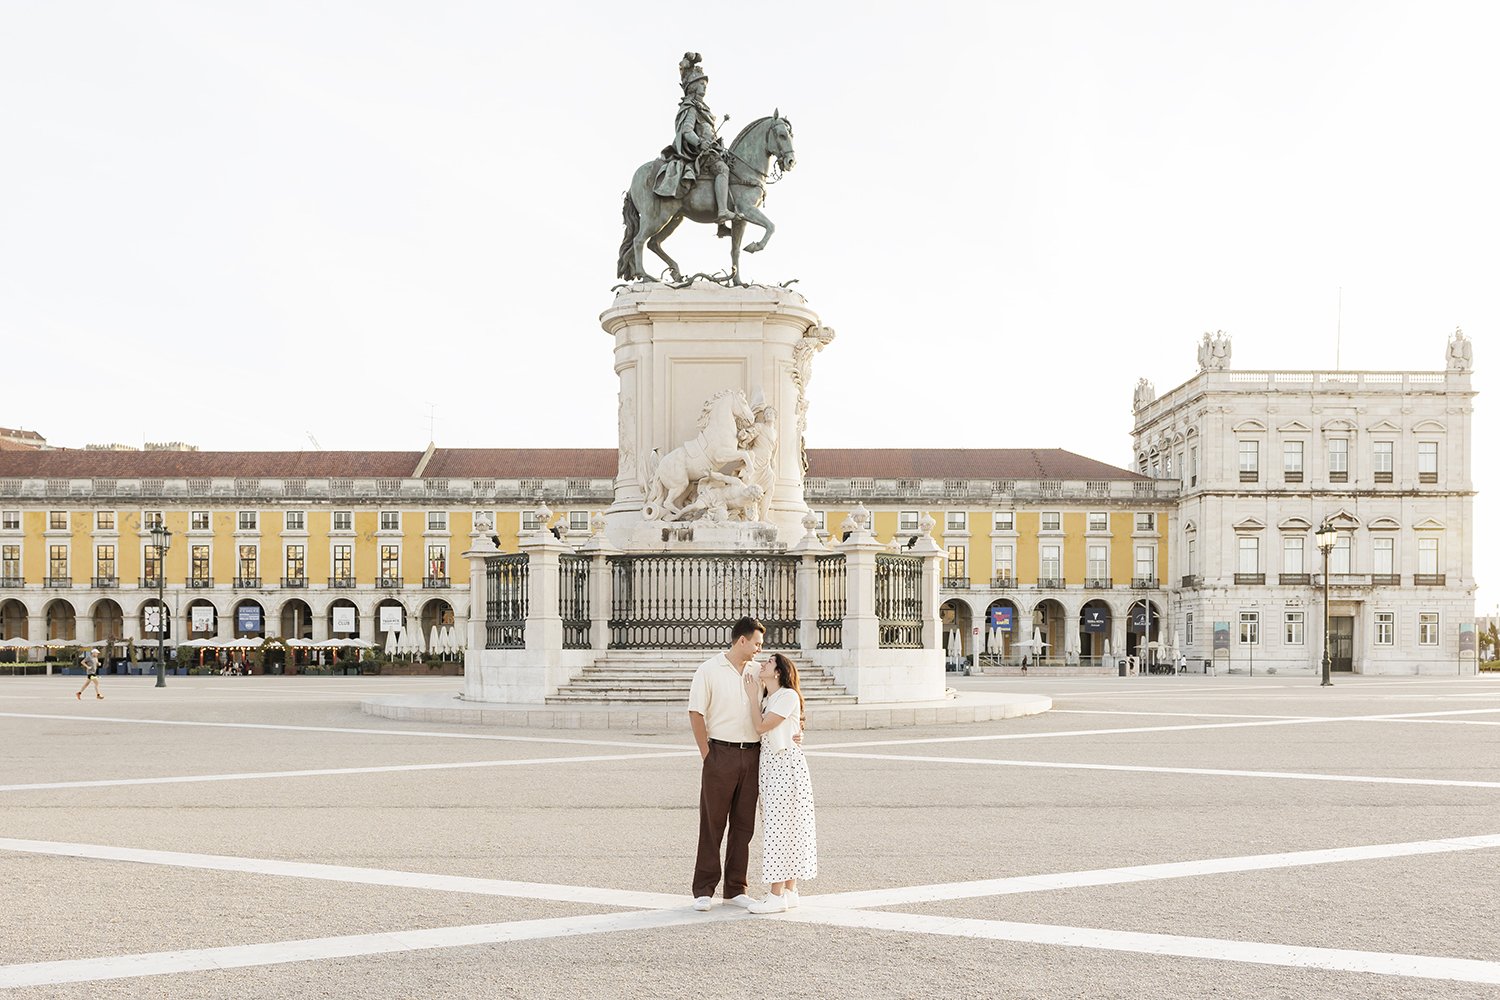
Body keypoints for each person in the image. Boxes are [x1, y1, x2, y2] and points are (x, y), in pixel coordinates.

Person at [687, 616, 766, 911]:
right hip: (720, 753)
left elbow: (787, 697)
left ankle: (736, 887)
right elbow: (696, 713)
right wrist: (707, 754)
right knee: (712, 823)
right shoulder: (708, 670)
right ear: (741, 640)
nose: (760, 649)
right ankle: (704, 889)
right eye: (756, 643)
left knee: (744, 825)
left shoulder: (760, 672)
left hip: (753, 754)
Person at [743, 652, 817, 913]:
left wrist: (753, 698)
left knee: (779, 827)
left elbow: (762, 727)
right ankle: (789, 889)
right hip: (774, 766)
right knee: (787, 826)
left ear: (779, 672)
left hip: (784, 765)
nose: (763, 663)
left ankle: (776, 896)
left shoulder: (787, 695)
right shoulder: (771, 696)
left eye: (770, 662)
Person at [654, 52, 736, 232]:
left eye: (705, 84)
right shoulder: (691, 107)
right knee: (723, 169)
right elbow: (686, 130)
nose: (704, 87)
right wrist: (700, 143)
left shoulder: (703, 108)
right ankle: (722, 212)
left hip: (712, 150)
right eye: (701, 84)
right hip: (701, 152)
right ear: (692, 87)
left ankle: (722, 225)